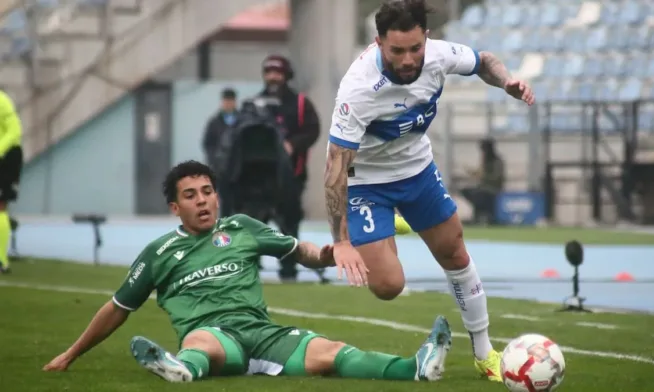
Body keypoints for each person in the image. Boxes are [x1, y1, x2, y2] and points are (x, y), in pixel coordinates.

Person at [43, 160, 452, 383]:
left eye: (207, 192)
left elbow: (301, 251)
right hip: (216, 335)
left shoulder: (241, 227)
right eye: (190, 196)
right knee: (202, 340)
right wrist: (71, 353)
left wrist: (333, 253)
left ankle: (416, 367)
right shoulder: (158, 253)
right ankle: (183, 367)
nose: (203, 201)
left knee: (333, 353)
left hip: (262, 332)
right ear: (175, 208)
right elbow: (118, 307)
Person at [323, 0, 535, 383]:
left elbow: (484, 60)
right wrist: (340, 241)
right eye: (396, 51)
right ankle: (391, 223)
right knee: (388, 286)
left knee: (454, 251)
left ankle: (485, 352)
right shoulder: (358, 88)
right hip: (366, 182)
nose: (407, 59)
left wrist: (506, 81)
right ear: (378, 43)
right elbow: (335, 168)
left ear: (428, 38)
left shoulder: (439, 56)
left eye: (415, 48)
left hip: (417, 170)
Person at [257, 55, 321, 282]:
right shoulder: (255, 104)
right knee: (255, 224)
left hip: (292, 176)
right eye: (269, 72)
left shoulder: (301, 103)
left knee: (289, 225)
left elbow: (313, 130)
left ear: (286, 75)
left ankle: (288, 270)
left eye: (278, 72)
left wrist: (292, 144)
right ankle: (250, 268)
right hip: (260, 179)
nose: (273, 77)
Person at [0, 90, 23, 274]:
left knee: (0, 206)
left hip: (7, 157)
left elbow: (15, 131)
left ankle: (1, 260)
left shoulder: (2, 101)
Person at [460, 138, 506, 225]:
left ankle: (484, 216)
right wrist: (470, 171)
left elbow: (496, 177)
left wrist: (482, 177)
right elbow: (479, 173)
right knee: (466, 191)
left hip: (493, 189)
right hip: (483, 188)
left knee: (478, 194)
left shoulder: (497, 161)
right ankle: (478, 215)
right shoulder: (485, 161)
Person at [202, 88, 238, 166]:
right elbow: (208, 143)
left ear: (235, 102)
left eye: (230, 101)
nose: (228, 104)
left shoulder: (242, 120)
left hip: (237, 165)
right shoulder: (214, 122)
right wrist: (213, 160)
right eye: (226, 101)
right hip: (219, 165)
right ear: (222, 102)